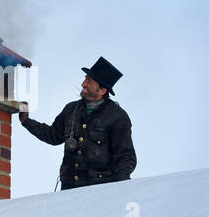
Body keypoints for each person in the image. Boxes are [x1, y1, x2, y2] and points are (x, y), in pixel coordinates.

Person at [19, 57, 137, 191]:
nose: (83, 84)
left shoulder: (118, 117)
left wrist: (120, 189)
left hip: (100, 190)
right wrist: (27, 122)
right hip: (68, 188)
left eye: (89, 81)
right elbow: (53, 135)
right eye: (85, 78)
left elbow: (126, 157)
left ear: (102, 90)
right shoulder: (70, 109)